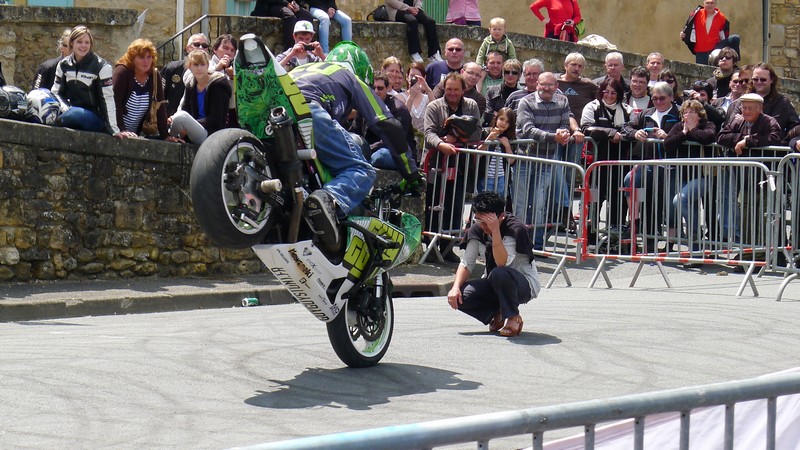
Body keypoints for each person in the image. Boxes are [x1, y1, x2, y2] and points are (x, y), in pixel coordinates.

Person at [292, 42, 422, 251]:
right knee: (361, 170)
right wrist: (411, 173)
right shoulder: (349, 76)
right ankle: (328, 199)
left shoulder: (303, 68)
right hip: (308, 110)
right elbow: (388, 125)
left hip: (274, 109)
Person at [447, 191, 541, 337]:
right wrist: (455, 288)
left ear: (500, 216)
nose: (483, 226)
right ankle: (496, 312)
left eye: (487, 221)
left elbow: (502, 263)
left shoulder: (514, 229)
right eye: (479, 220)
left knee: (499, 272)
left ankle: (513, 316)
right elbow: (467, 262)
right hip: (494, 282)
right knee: (462, 295)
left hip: (523, 285)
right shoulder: (476, 230)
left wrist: (495, 231)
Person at [423, 72, 482, 262]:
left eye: (456, 89)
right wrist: (441, 145)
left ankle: (448, 248)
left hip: (460, 165)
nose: (452, 93)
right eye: (449, 89)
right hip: (435, 164)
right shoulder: (434, 106)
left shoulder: (471, 106)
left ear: (463, 89)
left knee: (455, 205)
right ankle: (430, 246)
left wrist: (456, 138)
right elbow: (429, 133)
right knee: (433, 206)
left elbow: (477, 132)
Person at [620, 81, 681, 251]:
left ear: (670, 97)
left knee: (670, 203)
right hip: (648, 163)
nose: (658, 102)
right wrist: (635, 133)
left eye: (662, 98)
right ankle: (635, 223)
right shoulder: (647, 113)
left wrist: (668, 136)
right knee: (630, 180)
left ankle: (669, 243)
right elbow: (626, 127)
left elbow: (687, 133)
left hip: (671, 166)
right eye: (654, 98)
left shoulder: (679, 113)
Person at [514, 71, 572, 250]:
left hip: (547, 160)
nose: (546, 88)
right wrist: (554, 137)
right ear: (537, 84)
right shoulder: (526, 102)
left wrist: (563, 132)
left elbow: (564, 123)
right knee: (521, 204)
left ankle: (537, 244)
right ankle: (518, 242)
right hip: (525, 158)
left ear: (556, 86)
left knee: (539, 203)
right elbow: (528, 130)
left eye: (550, 85)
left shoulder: (563, 101)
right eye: (543, 85)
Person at [716, 93, 783, 241]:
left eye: (750, 108)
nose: (746, 111)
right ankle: (747, 253)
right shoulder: (738, 120)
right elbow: (721, 137)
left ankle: (765, 254)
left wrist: (749, 142)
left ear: (760, 108)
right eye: (744, 107)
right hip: (744, 179)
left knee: (765, 217)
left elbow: (776, 139)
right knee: (746, 217)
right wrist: (742, 139)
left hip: (764, 179)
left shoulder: (770, 121)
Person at [580, 78, 633, 237]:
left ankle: (614, 234)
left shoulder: (626, 110)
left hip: (620, 163)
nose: (609, 95)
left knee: (618, 198)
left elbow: (630, 130)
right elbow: (586, 129)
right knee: (595, 198)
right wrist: (610, 133)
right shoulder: (592, 107)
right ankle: (590, 233)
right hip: (596, 162)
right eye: (606, 91)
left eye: (613, 92)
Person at [51, 26, 124, 138]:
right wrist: (65, 108)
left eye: (87, 42)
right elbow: (56, 92)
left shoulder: (102, 67)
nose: (83, 46)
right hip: (69, 111)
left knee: (75, 114)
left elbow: (108, 99)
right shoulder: (63, 65)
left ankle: (56, 121)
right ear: (72, 43)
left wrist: (114, 129)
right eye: (79, 42)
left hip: (94, 117)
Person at [663, 99, 717, 245]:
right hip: (683, 175)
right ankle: (695, 241)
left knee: (680, 200)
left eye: (692, 112)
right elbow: (667, 144)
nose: (688, 115)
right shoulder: (679, 127)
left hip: (703, 176)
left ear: (700, 115)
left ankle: (695, 234)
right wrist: (684, 133)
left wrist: (693, 130)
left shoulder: (708, 125)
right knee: (687, 204)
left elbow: (708, 138)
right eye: (685, 112)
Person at [167, 49, 231, 145]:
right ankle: (170, 138)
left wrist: (189, 126)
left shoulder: (218, 85)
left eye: (202, 64)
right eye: (196, 65)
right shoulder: (191, 85)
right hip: (194, 131)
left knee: (181, 117)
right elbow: (185, 109)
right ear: (190, 67)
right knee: (176, 117)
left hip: (211, 134)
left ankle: (170, 137)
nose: (199, 68)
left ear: (208, 66)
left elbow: (215, 119)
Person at [112, 38, 171, 140]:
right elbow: (115, 103)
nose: (146, 61)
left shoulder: (154, 75)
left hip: (136, 133)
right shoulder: (121, 72)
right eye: (141, 57)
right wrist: (121, 129)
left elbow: (160, 106)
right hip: (116, 131)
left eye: (149, 57)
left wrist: (166, 136)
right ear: (132, 58)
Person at [358, 74, 417, 170]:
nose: (376, 92)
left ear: (388, 88)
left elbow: (393, 140)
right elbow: (355, 131)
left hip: (397, 154)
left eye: (380, 88)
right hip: (370, 151)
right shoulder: (364, 106)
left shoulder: (398, 109)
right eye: (373, 88)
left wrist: (367, 149)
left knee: (381, 156)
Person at [730, 62, 799, 136]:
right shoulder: (744, 99)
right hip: (741, 144)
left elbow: (772, 127)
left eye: (763, 79)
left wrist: (742, 120)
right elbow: (731, 124)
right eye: (755, 79)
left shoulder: (781, 101)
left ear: (771, 80)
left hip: (769, 144)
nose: (759, 82)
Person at [160, 33, 209, 117]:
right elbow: (160, 95)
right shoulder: (172, 68)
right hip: (169, 120)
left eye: (204, 45)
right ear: (187, 48)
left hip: (194, 121)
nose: (201, 48)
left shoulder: (211, 74)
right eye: (196, 44)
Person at [680, 0, 741, 65]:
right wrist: (683, 33)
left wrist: (725, 53)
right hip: (700, 51)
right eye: (707, 3)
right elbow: (687, 26)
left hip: (715, 49)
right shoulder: (696, 14)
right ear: (703, 3)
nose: (710, 5)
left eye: (712, 3)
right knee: (702, 73)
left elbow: (725, 34)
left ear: (715, 4)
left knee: (735, 38)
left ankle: (734, 62)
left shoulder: (721, 17)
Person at [477, 107, 516, 196]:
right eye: (501, 119)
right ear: (496, 118)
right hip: (486, 177)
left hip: (501, 177)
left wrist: (507, 146)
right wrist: (488, 140)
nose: (503, 123)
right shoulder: (485, 132)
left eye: (507, 122)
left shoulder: (509, 137)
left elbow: (512, 162)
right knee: (485, 204)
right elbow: (477, 154)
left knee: (499, 205)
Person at [250, 0, 315, 50]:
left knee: (307, 16)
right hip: (271, 5)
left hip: (288, 4)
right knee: (290, 17)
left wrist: (295, 3)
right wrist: (286, 3)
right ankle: (289, 49)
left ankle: (307, 48)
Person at [557, 52, 598, 119]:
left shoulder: (588, 85)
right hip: (558, 126)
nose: (576, 68)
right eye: (573, 64)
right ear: (566, 65)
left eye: (580, 66)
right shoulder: (554, 81)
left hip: (580, 127)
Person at [210, 34, 239, 128]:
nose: (229, 53)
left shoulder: (236, 71)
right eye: (225, 48)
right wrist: (217, 68)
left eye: (232, 50)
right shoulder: (206, 65)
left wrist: (231, 78)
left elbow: (232, 104)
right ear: (215, 49)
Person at [395, 61, 432, 131]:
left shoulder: (427, 98)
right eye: (412, 76)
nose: (414, 79)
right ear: (407, 77)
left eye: (418, 76)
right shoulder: (399, 97)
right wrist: (411, 97)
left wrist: (428, 89)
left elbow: (437, 112)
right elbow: (402, 117)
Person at [484, 58, 521, 126]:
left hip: (513, 133)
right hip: (492, 129)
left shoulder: (521, 95)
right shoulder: (491, 91)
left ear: (519, 75)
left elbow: (519, 119)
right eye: (507, 72)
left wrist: (497, 114)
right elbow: (488, 114)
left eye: (514, 73)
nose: (510, 75)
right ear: (503, 74)